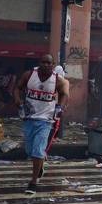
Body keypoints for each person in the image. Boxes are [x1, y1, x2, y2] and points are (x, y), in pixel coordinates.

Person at [13, 54, 69, 194]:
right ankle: (40, 167)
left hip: (46, 120)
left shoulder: (57, 80)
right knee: (30, 150)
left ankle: (33, 182)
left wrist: (60, 107)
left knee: (38, 151)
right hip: (29, 118)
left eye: (49, 63)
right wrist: (18, 101)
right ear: (39, 63)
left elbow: (64, 94)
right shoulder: (29, 74)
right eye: (43, 62)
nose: (46, 65)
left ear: (53, 64)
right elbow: (17, 88)